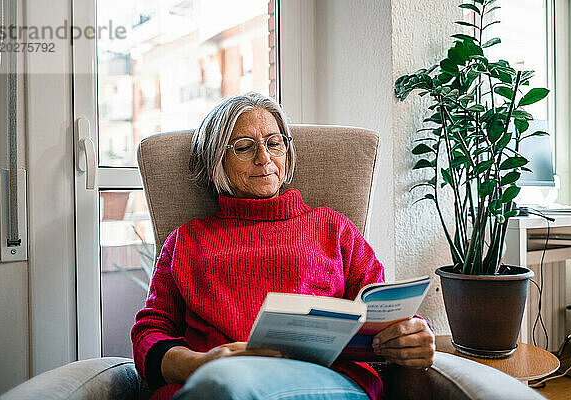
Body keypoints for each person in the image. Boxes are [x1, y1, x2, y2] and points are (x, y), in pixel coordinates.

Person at [131, 92, 435, 400]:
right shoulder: (186, 241)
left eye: (274, 143)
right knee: (221, 385)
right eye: (244, 147)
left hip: (323, 381)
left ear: (287, 152)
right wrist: (198, 363)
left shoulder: (333, 228)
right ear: (216, 159)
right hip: (213, 382)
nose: (264, 158)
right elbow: (150, 333)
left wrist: (412, 333)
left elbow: (382, 309)